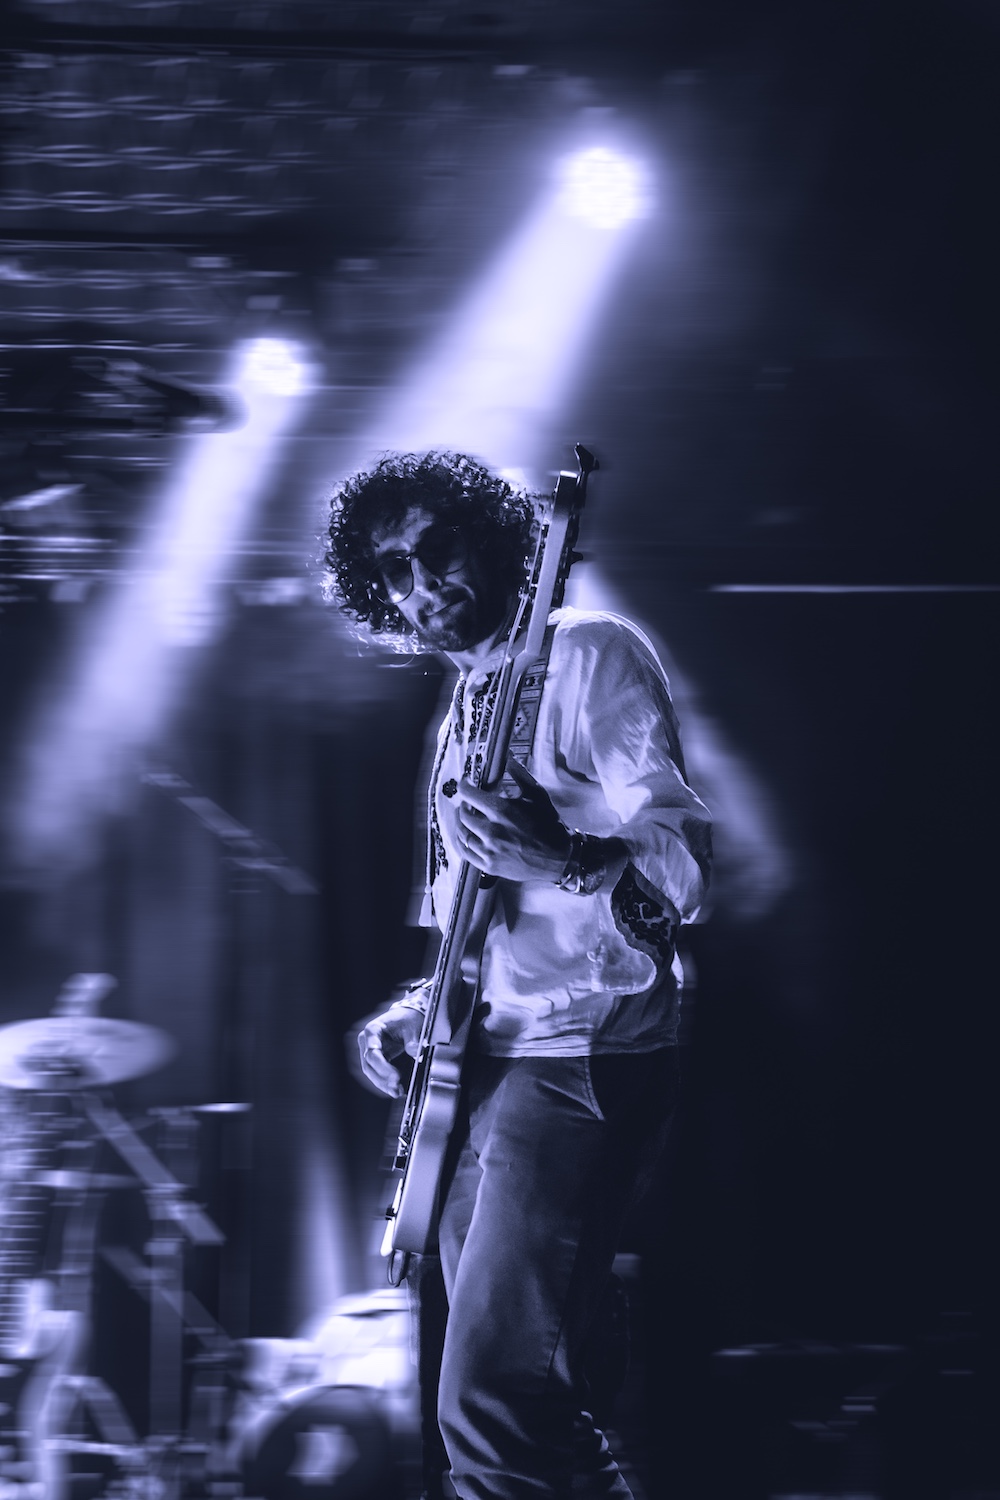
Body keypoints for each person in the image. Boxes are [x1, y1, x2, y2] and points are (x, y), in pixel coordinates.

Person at [324, 451, 712, 1500]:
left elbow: (686, 874)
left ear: (494, 539)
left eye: (435, 549)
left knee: (487, 1403)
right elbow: (477, 933)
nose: (422, 584)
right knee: (545, 1409)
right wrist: (416, 1011)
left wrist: (569, 857)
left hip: (581, 1053)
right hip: (486, 1066)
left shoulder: (587, 654)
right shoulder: (467, 707)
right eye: (394, 571)